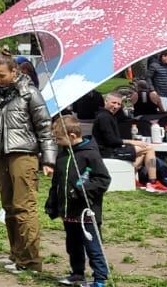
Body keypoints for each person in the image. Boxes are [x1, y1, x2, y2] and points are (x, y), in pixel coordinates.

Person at [0, 56, 55, 274]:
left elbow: (45, 126)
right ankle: (17, 255)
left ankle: (31, 261)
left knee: (24, 206)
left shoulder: (29, 92)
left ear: (14, 72)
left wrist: (48, 159)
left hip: (24, 154)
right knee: (8, 207)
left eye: (2, 75)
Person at [45, 116, 110, 287]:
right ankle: (77, 273)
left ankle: (100, 278)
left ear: (72, 136)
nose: (57, 142)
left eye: (59, 138)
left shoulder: (90, 154)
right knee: (73, 245)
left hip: (86, 212)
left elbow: (103, 179)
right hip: (68, 211)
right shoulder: (63, 155)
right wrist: (52, 202)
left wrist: (83, 188)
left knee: (93, 246)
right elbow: (57, 182)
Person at [91, 93, 166, 193]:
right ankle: (153, 182)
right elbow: (112, 140)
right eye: (114, 103)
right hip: (108, 151)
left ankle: (132, 179)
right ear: (106, 101)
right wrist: (131, 142)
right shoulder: (104, 117)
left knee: (143, 152)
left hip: (109, 149)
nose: (116, 106)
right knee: (149, 148)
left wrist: (131, 144)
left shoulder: (108, 115)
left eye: (119, 104)